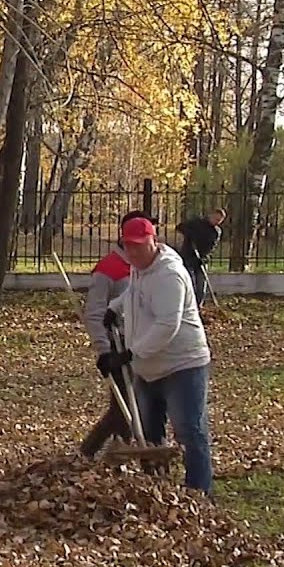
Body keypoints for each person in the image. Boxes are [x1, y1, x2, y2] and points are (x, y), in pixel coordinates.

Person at [98, 215, 214, 494]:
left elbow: (166, 325)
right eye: (129, 247)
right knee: (149, 433)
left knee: (189, 433)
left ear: (154, 241)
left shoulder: (169, 275)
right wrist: (115, 307)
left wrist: (128, 354)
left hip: (182, 365)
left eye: (140, 245)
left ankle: (198, 495)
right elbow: (135, 295)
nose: (134, 252)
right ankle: (157, 490)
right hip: (148, 367)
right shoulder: (140, 268)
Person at [78, 210, 148, 459]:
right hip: (118, 348)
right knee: (122, 410)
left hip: (143, 348)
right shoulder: (108, 269)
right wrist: (104, 350)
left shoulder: (145, 267)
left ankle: (113, 459)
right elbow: (94, 313)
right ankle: (88, 455)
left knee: (133, 409)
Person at [175, 208, 225, 306]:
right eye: (216, 219)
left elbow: (212, 247)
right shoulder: (196, 223)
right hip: (188, 256)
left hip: (201, 259)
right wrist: (189, 233)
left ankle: (199, 305)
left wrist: (204, 257)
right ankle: (189, 305)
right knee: (190, 282)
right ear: (211, 215)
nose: (217, 222)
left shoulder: (216, 232)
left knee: (201, 284)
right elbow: (180, 227)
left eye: (219, 221)